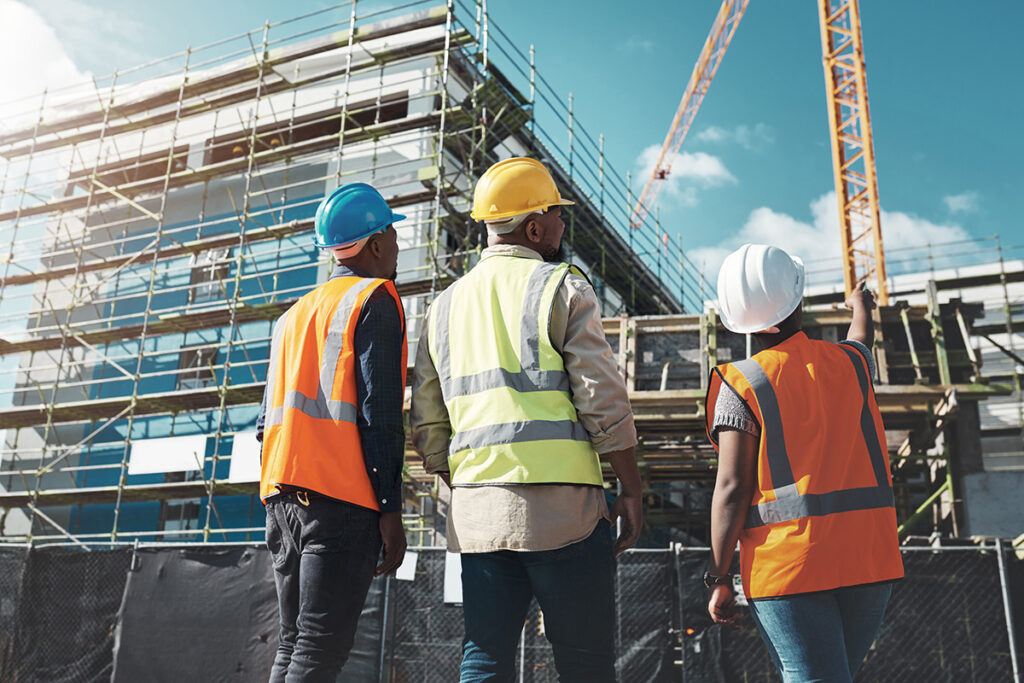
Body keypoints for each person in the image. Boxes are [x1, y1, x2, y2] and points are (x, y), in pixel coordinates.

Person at [410, 157, 643, 683]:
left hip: (478, 515)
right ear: (533, 226)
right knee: (584, 662)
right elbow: (601, 398)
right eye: (559, 215)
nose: (564, 225)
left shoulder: (443, 306)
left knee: (485, 656)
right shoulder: (561, 286)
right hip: (565, 513)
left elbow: (427, 418)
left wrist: (468, 484)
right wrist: (630, 487)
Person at [704, 243, 903, 682]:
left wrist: (717, 576)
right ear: (799, 300)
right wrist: (861, 305)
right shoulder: (850, 366)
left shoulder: (743, 383)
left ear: (735, 319)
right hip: (868, 558)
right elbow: (860, 339)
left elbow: (732, 490)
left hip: (789, 567)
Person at [257, 182, 409, 682]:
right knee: (319, 651)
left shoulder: (291, 317)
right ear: (376, 242)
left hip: (281, 501)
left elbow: (265, 425)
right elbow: (379, 415)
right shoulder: (375, 298)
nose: (397, 245)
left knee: (293, 645)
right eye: (392, 233)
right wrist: (390, 509)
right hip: (341, 500)